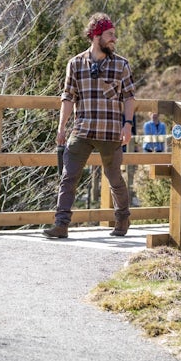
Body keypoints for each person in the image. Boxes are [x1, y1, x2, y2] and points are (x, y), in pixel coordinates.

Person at [42, 13, 136, 239]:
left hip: (110, 131)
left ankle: (122, 218)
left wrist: (128, 125)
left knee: (114, 178)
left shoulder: (121, 65)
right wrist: (61, 127)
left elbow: (130, 97)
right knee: (69, 176)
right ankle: (61, 224)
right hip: (82, 130)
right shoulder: (75, 64)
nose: (114, 38)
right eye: (109, 34)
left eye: (114, 34)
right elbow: (67, 97)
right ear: (96, 36)